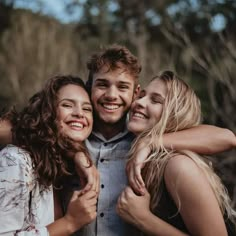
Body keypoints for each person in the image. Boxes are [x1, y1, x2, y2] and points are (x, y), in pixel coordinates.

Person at [0, 45, 235, 236]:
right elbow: (12, 128)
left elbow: (226, 137)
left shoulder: (143, 143)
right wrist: (76, 152)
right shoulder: (70, 135)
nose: (112, 95)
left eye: (123, 87)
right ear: (89, 89)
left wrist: (150, 143)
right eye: (102, 85)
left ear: (135, 94)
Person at [116, 71, 236, 235]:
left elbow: (228, 137)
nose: (139, 102)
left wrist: (143, 218)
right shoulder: (137, 154)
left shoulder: (178, 166)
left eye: (156, 100)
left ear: (174, 114)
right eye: (141, 95)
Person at [0, 75, 98, 235]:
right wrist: (70, 222)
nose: (80, 113)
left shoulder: (60, 165)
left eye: (87, 108)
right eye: (67, 105)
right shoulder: (16, 160)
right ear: (48, 112)